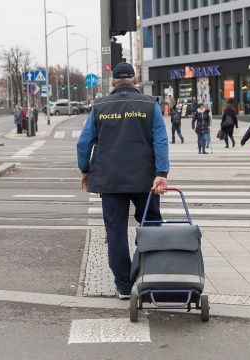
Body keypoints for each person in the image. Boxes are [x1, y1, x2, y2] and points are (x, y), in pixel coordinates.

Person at [76, 62, 169, 299]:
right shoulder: (150, 104)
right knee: (151, 224)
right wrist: (161, 173)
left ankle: (124, 285)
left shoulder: (99, 106)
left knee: (115, 231)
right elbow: (160, 140)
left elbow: (83, 143)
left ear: (114, 81)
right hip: (145, 179)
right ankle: (148, 276)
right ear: (135, 80)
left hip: (110, 180)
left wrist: (86, 170)